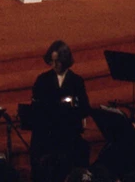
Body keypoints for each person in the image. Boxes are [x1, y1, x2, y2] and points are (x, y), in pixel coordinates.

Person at [30, 40, 91, 182]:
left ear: (65, 60)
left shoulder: (76, 81)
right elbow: (35, 106)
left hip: (68, 135)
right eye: (51, 61)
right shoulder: (42, 80)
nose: (54, 65)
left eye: (57, 61)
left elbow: (84, 108)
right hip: (47, 134)